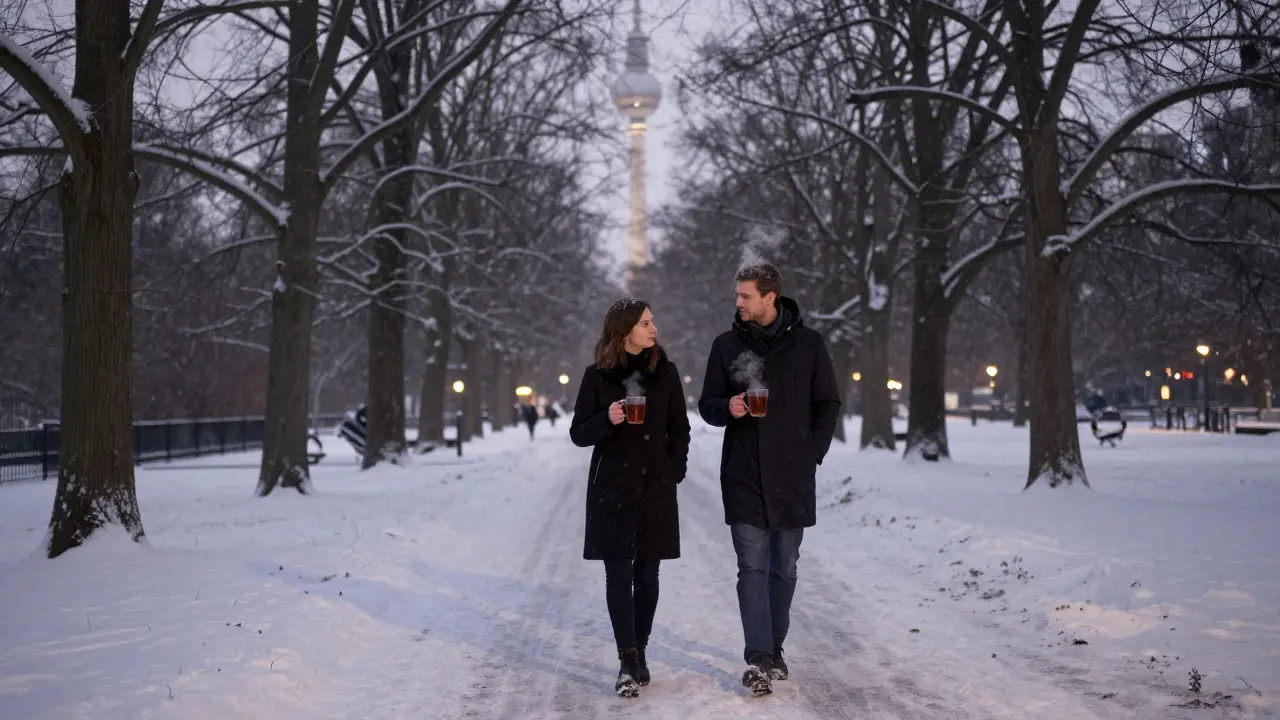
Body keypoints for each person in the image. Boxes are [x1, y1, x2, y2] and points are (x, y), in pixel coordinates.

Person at [697, 263, 841, 695]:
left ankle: (776, 647)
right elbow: (707, 404)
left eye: (745, 296)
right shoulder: (725, 346)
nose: (737, 303)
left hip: (793, 473)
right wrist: (730, 409)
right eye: (737, 295)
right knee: (751, 566)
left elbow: (828, 403)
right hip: (742, 471)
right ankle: (758, 657)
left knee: (785, 567)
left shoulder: (809, 344)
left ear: (769, 297)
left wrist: (811, 452)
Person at [570, 299, 690, 698]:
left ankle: (641, 648)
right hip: (612, 489)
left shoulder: (665, 373)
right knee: (618, 575)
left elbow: (680, 429)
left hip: (655, 486)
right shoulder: (596, 376)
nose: (654, 328)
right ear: (625, 332)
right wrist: (608, 418)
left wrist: (674, 470)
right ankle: (627, 660)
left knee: (648, 575)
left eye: (653, 321)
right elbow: (579, 432)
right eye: (645, 323)